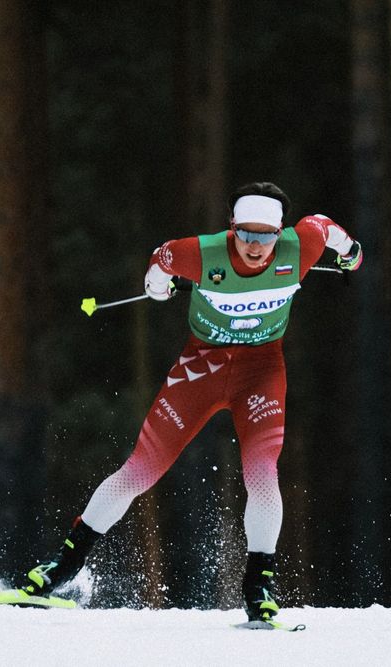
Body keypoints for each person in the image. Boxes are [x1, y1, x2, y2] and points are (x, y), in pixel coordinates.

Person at [24, 182, 363, 622]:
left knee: (262, 472)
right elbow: (160, 260)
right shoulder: (201, 253)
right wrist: (158, 285)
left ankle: (259, 585)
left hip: (261, 372)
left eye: (266, 236)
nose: (256, 246)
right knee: (139, 471)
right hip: (200, 369)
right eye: (246, 234)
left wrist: (351, 253)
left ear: (281, 233)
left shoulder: (302, 245)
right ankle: (63, 568)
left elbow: (329, 230)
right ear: (231, 228)